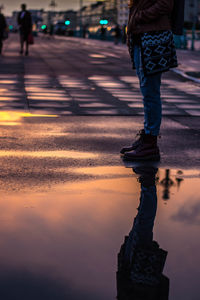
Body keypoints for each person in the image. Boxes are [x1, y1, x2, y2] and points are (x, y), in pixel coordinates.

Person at [120, 0, 185, 161]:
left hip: (153, 37)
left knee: (150, 92)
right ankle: (148, 136)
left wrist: (139, 17)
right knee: (147, 91)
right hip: (143, 37)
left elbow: (165, 4)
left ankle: (150, 143)